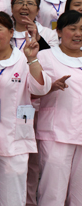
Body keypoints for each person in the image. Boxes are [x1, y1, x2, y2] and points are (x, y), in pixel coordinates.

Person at [0, 12, 51, 205]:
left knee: (12, 199)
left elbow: (41, 88)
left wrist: (32, 60)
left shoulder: (23, 59)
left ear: (11, 32)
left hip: (13, 140)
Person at [35, 11, 82, 205]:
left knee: (79, 196)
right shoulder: (45, 56)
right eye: (73, 28)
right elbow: (31, 91)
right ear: (59, 32)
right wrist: (51, 87)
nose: (78, 33)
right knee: (53, 194)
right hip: (56, 134)